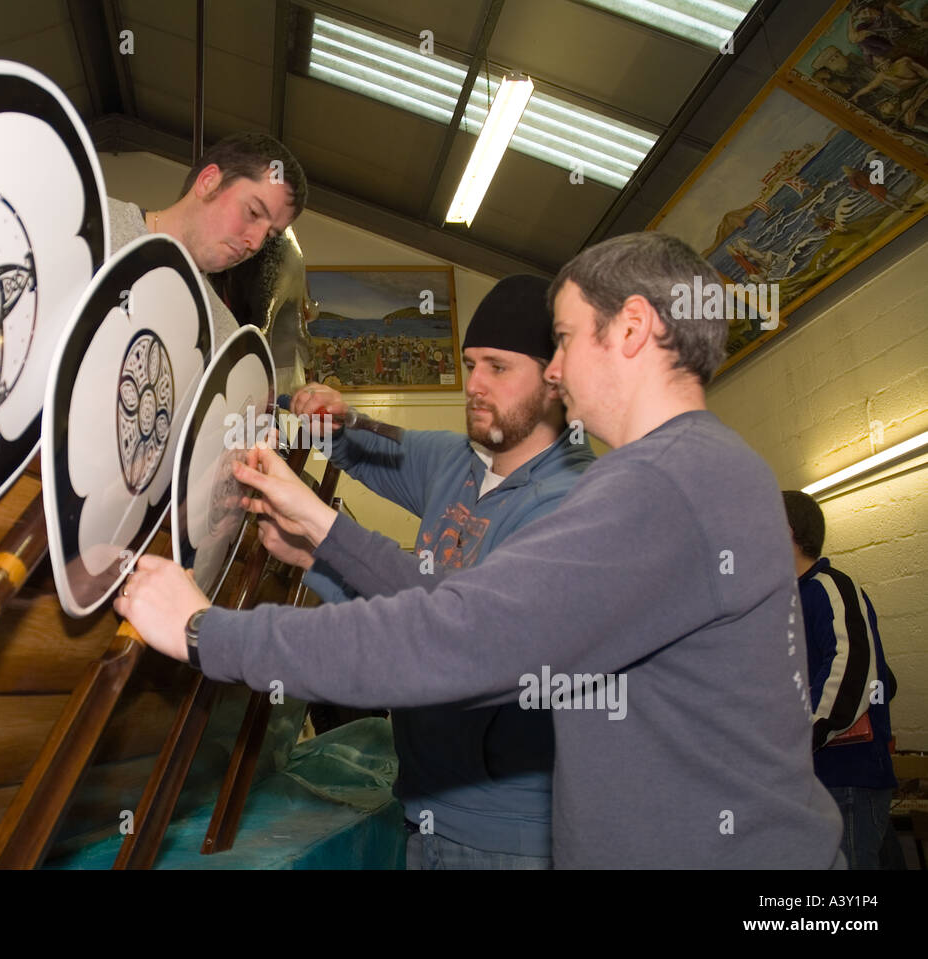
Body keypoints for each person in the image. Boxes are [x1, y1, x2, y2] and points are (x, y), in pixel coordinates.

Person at [115, 231, 843, 868]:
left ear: (631, 329)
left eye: (562, 338)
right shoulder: (713, 466)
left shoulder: (658, 482)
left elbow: (457, 636)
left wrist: (206, 631)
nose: (555, 369)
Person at [275, 275, 593, 869]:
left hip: (513, 838)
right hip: (421, 808)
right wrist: (327, 412)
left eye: (497, 367)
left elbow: (457, 634)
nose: (473, 385)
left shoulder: (575, 502)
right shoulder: (455, 462)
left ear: (556, 378)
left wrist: (323, 533)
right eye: (469, 364)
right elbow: (355, 440)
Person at [782, 490, 899, 869]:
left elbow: (851, 669)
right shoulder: (786, 602)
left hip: (845, 779)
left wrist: (801, 738)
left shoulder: (829, 587)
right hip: (812, 782)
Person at [106, 132, 307, 349]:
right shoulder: (94, 224)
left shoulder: (221, 334)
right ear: (208, 182)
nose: (256, 243)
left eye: (269, 235)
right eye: (253, 212)